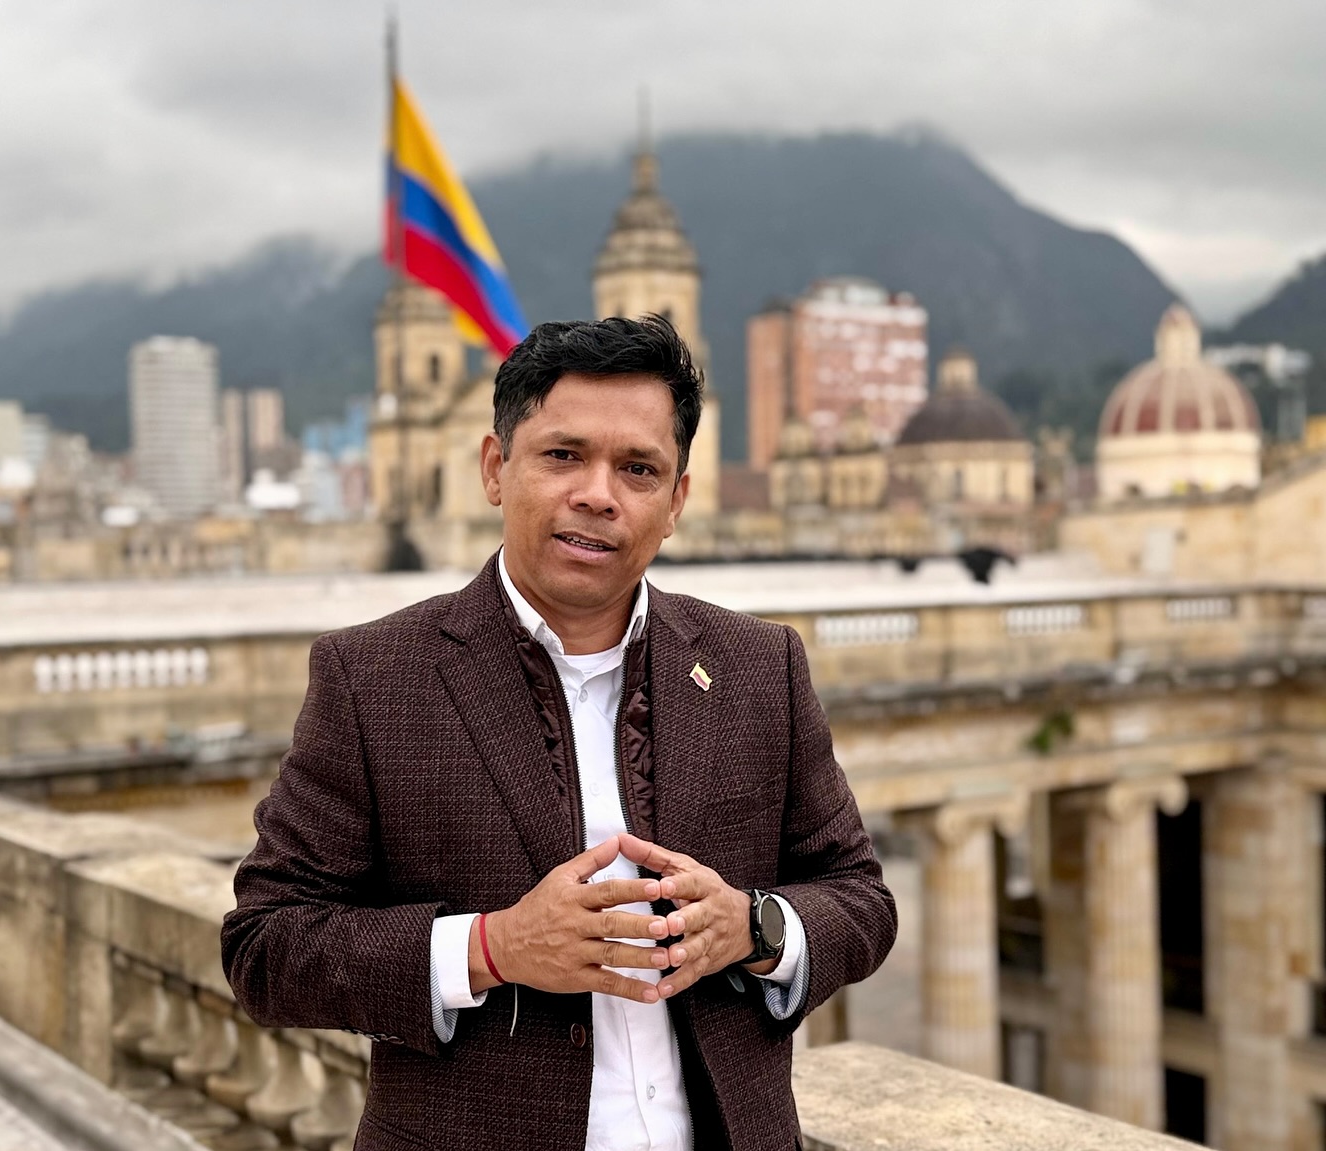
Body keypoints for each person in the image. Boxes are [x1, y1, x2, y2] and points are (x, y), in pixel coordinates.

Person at [221, 315, 897, 1151]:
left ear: (676, 501)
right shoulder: (375, 678)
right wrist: (491, 946)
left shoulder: (760, 666)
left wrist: (753, 927)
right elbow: (266, 945)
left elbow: (860, 897)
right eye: (564, 455)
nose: (598, 493)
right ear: (495, 468)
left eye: (638, 468)